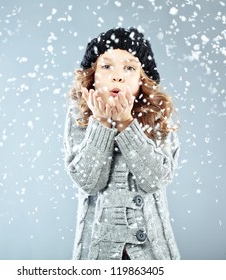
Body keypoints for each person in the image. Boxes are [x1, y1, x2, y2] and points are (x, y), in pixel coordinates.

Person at [63, 27, 180, 260]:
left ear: (142, 79)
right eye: (107, 66)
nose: (118, 76)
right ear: (92, 76)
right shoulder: (80, 117)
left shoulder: (156, 115)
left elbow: (156, 178)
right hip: (98, 254)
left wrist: (127, 122)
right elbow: (88, 181)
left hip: (152, 255)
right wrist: (101, 123)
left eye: (129, 67)